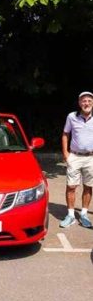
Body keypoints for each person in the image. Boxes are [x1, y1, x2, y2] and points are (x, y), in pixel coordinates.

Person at [60, 91, 93, 228]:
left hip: (91, 158)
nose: (86, 103)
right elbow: (65, 134)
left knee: (89, 186)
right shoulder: (72, 117)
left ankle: (84, 214)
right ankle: (71, 215)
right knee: (71, 186)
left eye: (89, 101)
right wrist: (66, 154)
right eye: (84, 101)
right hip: (74, 156)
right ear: (79, 103)